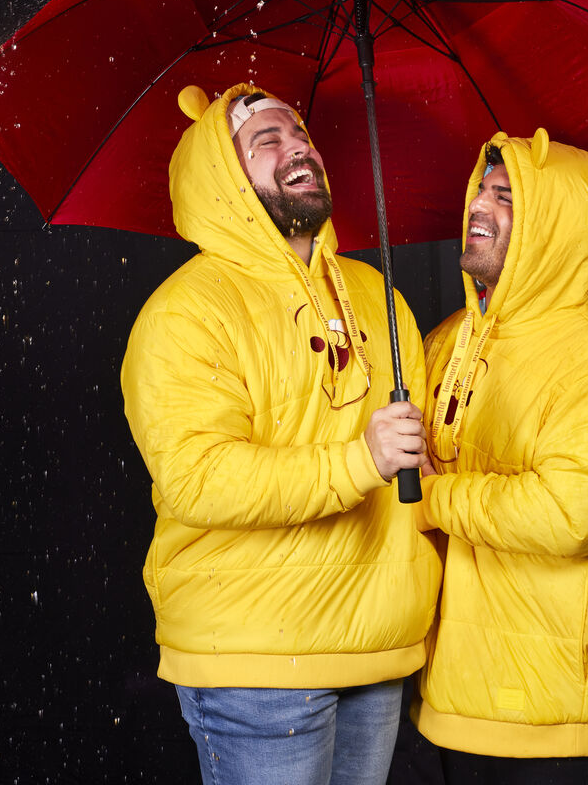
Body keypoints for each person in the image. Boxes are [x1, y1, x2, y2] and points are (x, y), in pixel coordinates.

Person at [120, 83, 441, 785]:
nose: (297, 147)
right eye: (266, 141)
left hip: (377, 647)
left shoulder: (378, 300)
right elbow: (198, 479)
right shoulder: (187, 314)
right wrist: (359, 461)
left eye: (300, 134)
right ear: (223, 181)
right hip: (258, 661)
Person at [411, 130, 588, 783]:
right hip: (454, 698)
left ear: (555, 227)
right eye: (479, 189)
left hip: (555, 716)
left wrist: (432, 497)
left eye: (506, 196)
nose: (478, 205)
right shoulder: (444, 342)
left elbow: (567, 513)